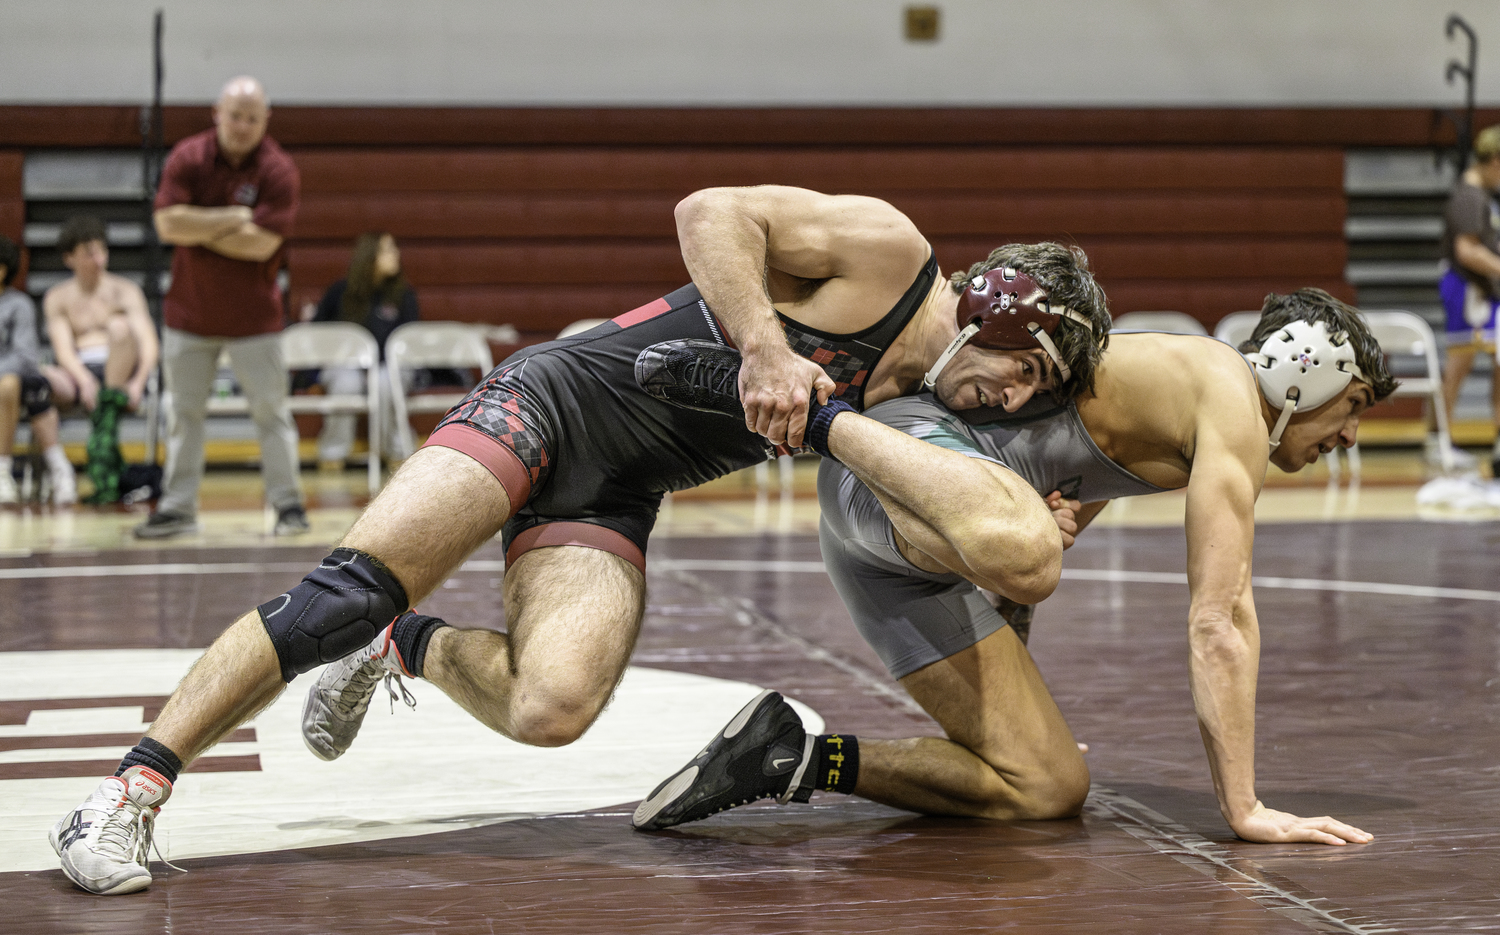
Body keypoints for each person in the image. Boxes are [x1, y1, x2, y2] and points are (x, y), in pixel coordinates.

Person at [49, 185, 1113, 895]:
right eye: (1027, 377)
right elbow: (711, 211)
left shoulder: (925, 408)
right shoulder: (888, 253)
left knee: (551, 706)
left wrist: (1057, 508)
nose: (1014, 404)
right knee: (350, 585)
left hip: (614, 488)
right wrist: (762, 345)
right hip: (552, 400)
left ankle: (400, 647)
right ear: (1000, 313)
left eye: (1035, 400)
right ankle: (126, 792)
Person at [633, 288, 1392, 850]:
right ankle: (814, 417)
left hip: (900, 545)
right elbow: (1220, 617)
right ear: (1304, 379)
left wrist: (1018, 702)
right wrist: (1244, 806)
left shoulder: (1178, 410)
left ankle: (787, 755)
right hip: (893, 473)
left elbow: (1041, 548)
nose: (1352, 435)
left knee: (1046, 784)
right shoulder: (1229, 400)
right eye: (1351, 406)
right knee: (1032, 546)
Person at [133, 75, 308, 539]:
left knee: (271, 414)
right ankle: (177, 508)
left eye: (252, 117)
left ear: (265, 120)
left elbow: (261, 244)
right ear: (217, 112)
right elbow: (168, 226)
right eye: (235, 115)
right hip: (189, 317)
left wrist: (198, 227)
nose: (242, 125)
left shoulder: (278, 169)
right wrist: (231, 218)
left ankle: (288, 506)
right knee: (183, 415)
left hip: (256, 321)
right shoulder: (188, 156)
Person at [41, 217, 158, 503]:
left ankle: (107, 420)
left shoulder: (125, 291)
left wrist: (137, 382)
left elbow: (149, 342)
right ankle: (59, 470)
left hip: (120, 366)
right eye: (89, 253)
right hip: (79, 370)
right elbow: (63, 349)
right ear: (70, 258)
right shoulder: (58, 297)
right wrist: (83, 379)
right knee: (37, 376)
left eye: (101, 251)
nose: (98, 259)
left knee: (120, 328)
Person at [309, 232, 420, 468]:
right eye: (387, 250)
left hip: (390, 367)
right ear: (370, 256)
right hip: (345, 365)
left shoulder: (404, 295)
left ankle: (396, 450)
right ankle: (332, 452)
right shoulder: (340, 292)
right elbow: (317, 336)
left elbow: (410, 342)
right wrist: (311, 377)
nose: (395, 255)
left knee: (385, 381)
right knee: (346, 382)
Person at [1438, 124, 1500, 477]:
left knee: (1495, 367)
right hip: (1468, 291)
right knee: (1457, 368)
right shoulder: (1470, 196)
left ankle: (1494, 438)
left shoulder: (1480, 196)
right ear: (1494, 160)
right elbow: (1467, 251)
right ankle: (1439, 440)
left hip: (1482, 293)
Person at [0, 235, 75, 504]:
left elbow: (25, 357)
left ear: (2, 270)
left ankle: (3, 470)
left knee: (9, 384)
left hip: (12, 383)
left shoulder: (17, 305)